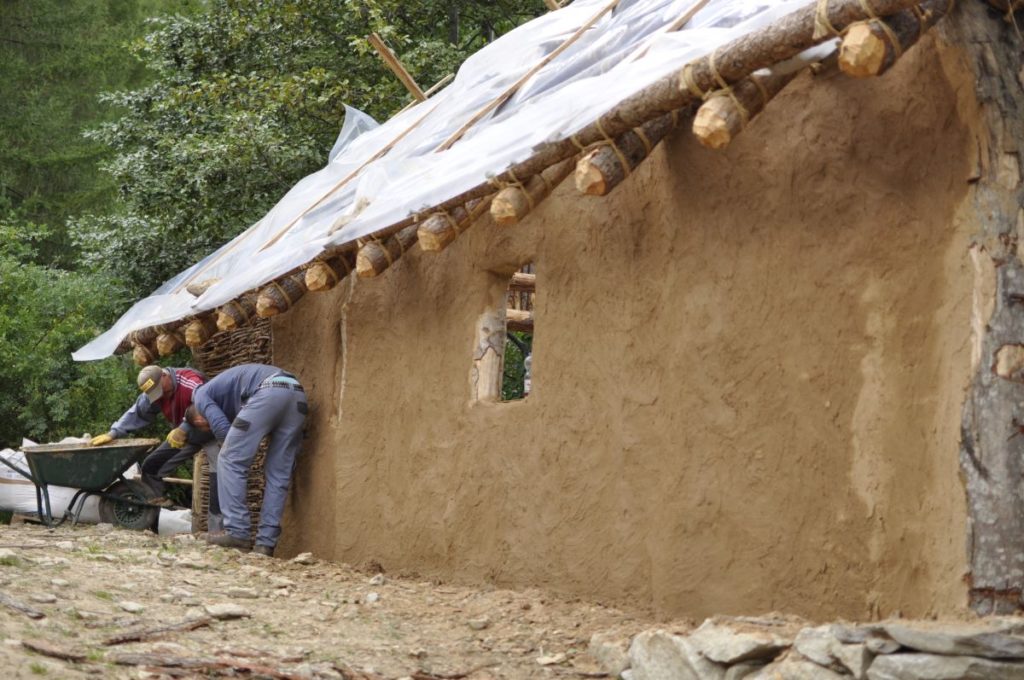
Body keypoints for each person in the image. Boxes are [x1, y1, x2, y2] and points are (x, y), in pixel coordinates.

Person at [182, 363, 306, 557]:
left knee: (229, 459)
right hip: (297, 395)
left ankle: (237, 532)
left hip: (269, 392)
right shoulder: (228, 395)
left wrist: (230, 448)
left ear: (198, 421)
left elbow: (221, 427)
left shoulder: (200, 396)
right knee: (278, 474)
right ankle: (265, 544)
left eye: (205, 428)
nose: (208, 430)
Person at [92, 365, 209, 507]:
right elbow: (138, 412)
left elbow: (205, 404)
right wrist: (114, 433)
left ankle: (219, 523)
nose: (158, 395)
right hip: (186, 437)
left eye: (158, 390)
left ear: (164, 376)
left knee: (218, 474)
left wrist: (184, 428)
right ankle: (156, 504)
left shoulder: (189, 381)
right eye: (153, 393)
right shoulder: (154, 393)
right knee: (152, 466)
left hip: (212, 431)